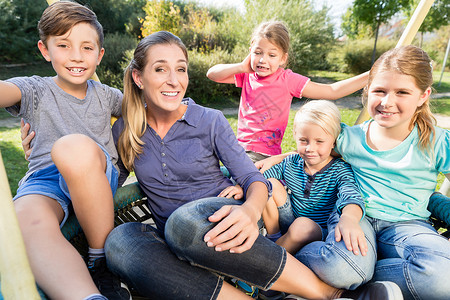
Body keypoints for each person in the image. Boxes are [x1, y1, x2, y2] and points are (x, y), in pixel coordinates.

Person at [102, 30, 402, 300]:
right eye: (160, 69)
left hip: (230, 222)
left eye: (180, 69)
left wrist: (249, 210)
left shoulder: (209, 120)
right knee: (120, 243)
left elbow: (251, 177)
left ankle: (329, 293)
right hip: (177, 244)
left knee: (184, 223)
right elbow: (108, 186)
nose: (174, 80)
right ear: (139, 78)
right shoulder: (127, 131)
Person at [255, 45, 450, 300]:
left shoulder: (436, 141)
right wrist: (281, 157)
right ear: (368, 90)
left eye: (402, 92)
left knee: (443, 277)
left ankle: (363, 284)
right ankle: (340, 273)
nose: (387, 102)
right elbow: (315, 148)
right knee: (339, 268)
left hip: (408, 225)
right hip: (354, 217)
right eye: (379, 91)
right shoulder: (350, 138)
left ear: (423, 95)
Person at [0, 1, 129, 299]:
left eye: (86, 48)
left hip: (93, 174)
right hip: (45, 180)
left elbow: (144, 111)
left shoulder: (106, 94)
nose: (76, 56)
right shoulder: (35, 89)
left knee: (72, 148)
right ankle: (86, 295)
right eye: (63, 45)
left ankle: (100, 260)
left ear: (99, 55)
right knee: (22, 218)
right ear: (45, 50)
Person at [206, 21, 369, 162]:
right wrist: (241, 66)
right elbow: (212, 74)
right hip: (240, 150)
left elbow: (332, 90)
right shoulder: (247, 75)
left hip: (266, 155)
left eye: (272, 55)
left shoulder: (288, 80)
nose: (263, 60)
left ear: (283, 58)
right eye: (257, 53)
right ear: (250, 52)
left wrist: (371, 74)